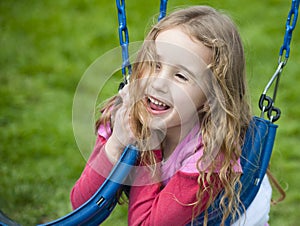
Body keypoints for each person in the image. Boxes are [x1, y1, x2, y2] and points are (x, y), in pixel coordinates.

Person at [70, 5, 273, 225]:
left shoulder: (209, 156)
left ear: (210, 98)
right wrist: (116, 143)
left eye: (181, 76)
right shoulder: (124, 116)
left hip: (236, 216)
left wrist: (150, 146)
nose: (158, 84)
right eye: (154, 65)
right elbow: (82, 208)